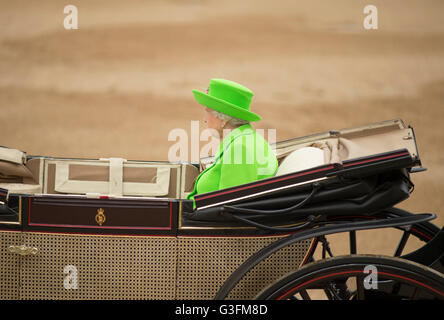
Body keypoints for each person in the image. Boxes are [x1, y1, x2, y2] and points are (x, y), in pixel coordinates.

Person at [186, 78, 278, 206]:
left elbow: (230, 206)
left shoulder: (240, 148)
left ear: (223, 118)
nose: (205, 119)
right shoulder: (248, 139)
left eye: (208, 112)